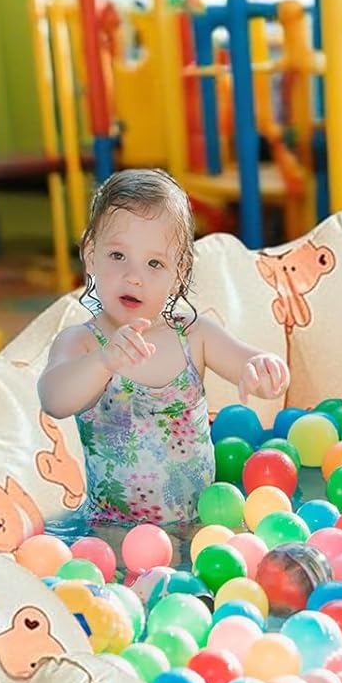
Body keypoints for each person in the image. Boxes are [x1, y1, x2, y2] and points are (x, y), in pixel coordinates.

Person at [39, 168, 288, 528]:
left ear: (179, 272)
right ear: (91, 255)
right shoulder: (83, 342)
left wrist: (265, 369)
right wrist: (104, 362)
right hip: (115, 532)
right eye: (118, 256)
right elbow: (54, 399)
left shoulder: (194, 335)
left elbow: (255, 370)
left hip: (200, 524)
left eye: (154, 263)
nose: (134, 276)